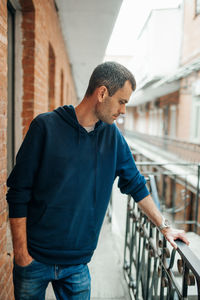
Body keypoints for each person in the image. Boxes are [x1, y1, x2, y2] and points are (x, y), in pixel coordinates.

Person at [6, 61, 189, 300]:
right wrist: (21, 254)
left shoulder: (112, 137)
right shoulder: (45, 127)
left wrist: (164, 226)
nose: (123, 110)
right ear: (102, 93)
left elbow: (135, 183)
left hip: (77, 265)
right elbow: (19, 190)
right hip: (35, 258)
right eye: (122, 101)